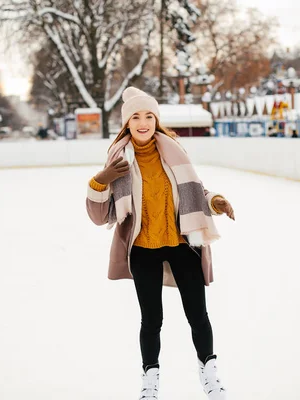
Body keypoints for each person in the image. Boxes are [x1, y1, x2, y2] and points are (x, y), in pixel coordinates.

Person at [86, 87, 235, 400]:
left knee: (198, 314)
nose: (143, 122)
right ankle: (150, 379)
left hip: (183, 244)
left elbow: (197, 191)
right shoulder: (119, 160)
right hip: (143, 250)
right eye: (136, 117)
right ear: (127, 123)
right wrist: (102, 179)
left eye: (149, 116)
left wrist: (216, 201)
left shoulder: (173, 151)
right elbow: (100, 217)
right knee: (152, 319)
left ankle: (208, 371)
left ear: (156, 119)